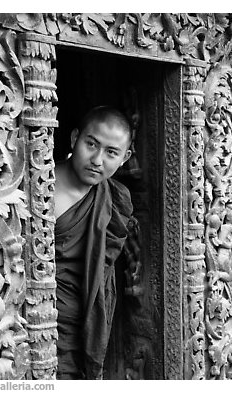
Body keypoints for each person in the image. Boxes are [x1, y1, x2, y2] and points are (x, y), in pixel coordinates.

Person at [54, 106, 134, 379]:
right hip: (39, 317)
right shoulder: (41, 184)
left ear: (125, 158)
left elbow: (103, 268)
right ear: (75, 137)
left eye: (111, 152)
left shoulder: (115, 198)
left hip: (88, 322)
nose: (97, 159)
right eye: (91, 144)